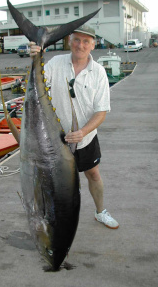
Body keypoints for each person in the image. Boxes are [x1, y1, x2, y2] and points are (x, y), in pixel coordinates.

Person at [29, 25, 119, 229]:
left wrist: (83, 132)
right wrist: (35, 58)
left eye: (86, 41)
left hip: (85, 139)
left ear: (93, 45)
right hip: (54, 140)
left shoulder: (98, 73)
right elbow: (39, 86)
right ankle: (50, 218)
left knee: (93, 174)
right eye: (77, 40)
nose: (81, 45)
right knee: (52, 181)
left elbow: (101, 111)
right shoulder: (55, 63)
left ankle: (100, 212)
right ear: (69, 41)